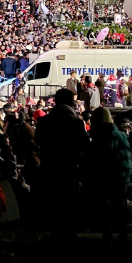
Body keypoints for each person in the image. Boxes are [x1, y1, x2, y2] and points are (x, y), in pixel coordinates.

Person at [34, 88, 89, 243]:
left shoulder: (45, 121)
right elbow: (84, 145)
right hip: (69, 167)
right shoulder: (76, 122)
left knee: (53, 201)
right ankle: (70, 234)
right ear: (71, 102)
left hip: (50, 166)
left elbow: (38, 140)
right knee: (71, 202)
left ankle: (56, 233)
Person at [86, 107, 132, 246]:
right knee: (121, 207)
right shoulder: (117, 132)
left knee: (107, 207)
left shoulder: (105, 135)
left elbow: (103, 155)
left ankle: (109, 236)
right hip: (122, 174)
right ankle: (122, 236)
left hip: (109, 174)